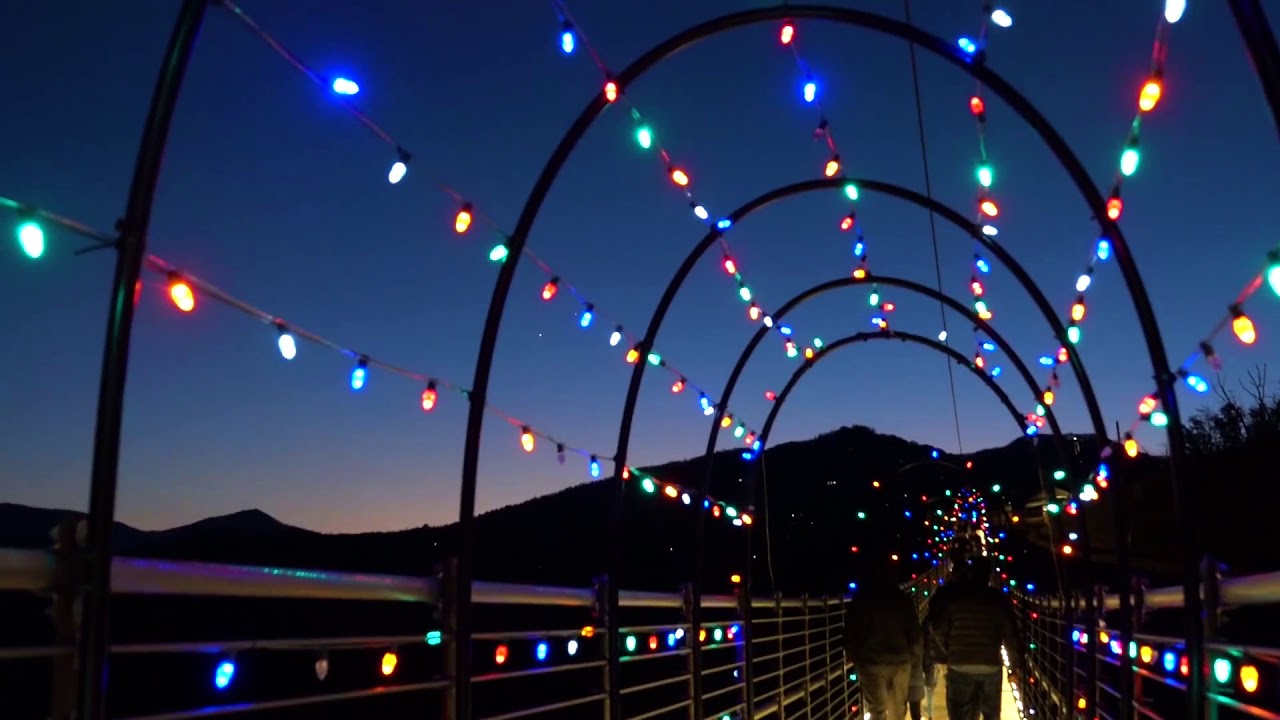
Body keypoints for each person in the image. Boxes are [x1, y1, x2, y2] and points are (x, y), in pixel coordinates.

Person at [923, 554, 1024, 720]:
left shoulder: (955, 598)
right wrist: (1016, 666)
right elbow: (1011, 636)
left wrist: (946, 653)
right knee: (991, 714)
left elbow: (939, 629)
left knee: (959, 713)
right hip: (990, 664)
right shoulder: (999, 599)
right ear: (988, 575)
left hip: (960, 664)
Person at [844, 553, 923, 720]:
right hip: (900, 660)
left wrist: (855, 658)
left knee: (877, 710)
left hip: (870, 662)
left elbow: (850, 632)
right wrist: (912, 656)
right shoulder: (902, 600)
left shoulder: (861, 600)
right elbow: (914, 632)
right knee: (898, 710)